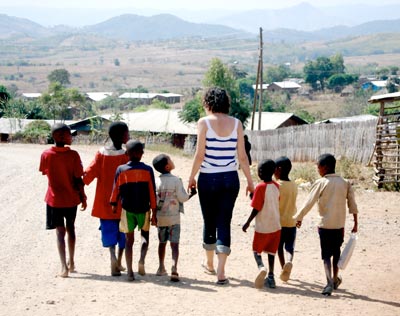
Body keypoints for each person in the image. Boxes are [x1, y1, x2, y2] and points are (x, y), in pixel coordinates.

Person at [188, 87, 254, 285]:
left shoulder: (204, 123)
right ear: (226, 103)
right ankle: (221, 271)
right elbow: (242, 157)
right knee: (224, 221)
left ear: (207, 103)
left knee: (209, 220)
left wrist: (191, 176)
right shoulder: (236, 124)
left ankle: (209, 263)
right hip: (230, 179)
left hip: (208, 178)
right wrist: (250, 182)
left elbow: (199, 154)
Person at [293, 153, 358, 296]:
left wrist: (299, 217)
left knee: (326, 255)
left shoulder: (321, 183)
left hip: (324, 226)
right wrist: (355, 223)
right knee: (336, 253)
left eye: (318, 166)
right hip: (339, 226)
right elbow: (352, 204)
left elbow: (308, 202)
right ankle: (334, 279)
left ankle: (329, 283)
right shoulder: (345, 182)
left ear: (325, 167)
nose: (317, 169)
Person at [39, 123, 87, 278]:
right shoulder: (73, 155)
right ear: (59, 137)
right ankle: (72, 262)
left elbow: (45, 172)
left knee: (60, 232)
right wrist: (83, 196)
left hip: (54, 200)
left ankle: (63, 267)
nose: (71, 137)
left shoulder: (46, 154)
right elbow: (79, 178)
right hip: (71, 199)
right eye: (68, 135)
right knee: (71, 228)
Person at [83, 121, 129, 276]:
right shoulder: (125, 155)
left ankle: (112, 257)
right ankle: (120, 261)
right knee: (123, 231)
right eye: (127, 133)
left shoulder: (101, 153)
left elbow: (90, 172)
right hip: (123, 201)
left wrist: (79, 181)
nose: (128, 136)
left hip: (105, 201)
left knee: (108, 230)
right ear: (122, 136)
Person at [110, 140, 157, 281]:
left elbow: (115, 189)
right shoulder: (148, 170)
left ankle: (130, 272)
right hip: (144, 209)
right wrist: (154, 211)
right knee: (145, 237)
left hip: (127, 209)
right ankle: (141, 260)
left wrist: (113, 203)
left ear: (126, 154)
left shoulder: (121, 169)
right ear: (142, 154)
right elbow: (152, 192)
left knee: (128, 240)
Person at [152, 154, 197, 282]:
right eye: (170, 160)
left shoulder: (156, 181)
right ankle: (174, 267)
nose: (172, 161)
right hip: (174, 219)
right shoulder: (177, 180)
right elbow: (182, 198)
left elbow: (154, 201)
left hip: (161, 218)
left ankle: (161, 267)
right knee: (174, 244)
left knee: (162, 243)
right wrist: (192, 194)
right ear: (167, 166)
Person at [242, 159, 281, 289]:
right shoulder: (276, 186)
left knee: (256, 251)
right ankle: (271, 276)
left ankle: (261, 267)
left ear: (260, 173)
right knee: (271, 252)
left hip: (263, 227)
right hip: (276, 226)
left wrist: (247, 222)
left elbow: (256, 208)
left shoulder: (260, 187)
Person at [274, 156, 298, 282]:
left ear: (278, 169)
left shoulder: (276, 186)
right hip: (292, 221)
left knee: (279, 247)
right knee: (289, 247)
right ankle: (289, 261)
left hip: (279, 223)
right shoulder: (294, 185)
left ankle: (283, 267)